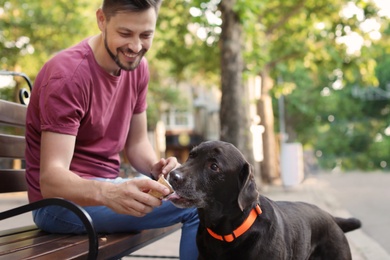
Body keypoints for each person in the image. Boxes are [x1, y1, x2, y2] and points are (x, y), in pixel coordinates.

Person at [24, 0, 199, 259]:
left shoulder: (138, 67)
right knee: (197, 206)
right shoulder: (68, 76)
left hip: (105, 189)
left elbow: (137, 144)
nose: (136, 46)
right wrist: (110, 192)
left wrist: (156, 167)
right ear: (102, 20)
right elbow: (51, 180)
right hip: (59, 205)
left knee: (198, 195)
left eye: (146, 35)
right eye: (125, 33)